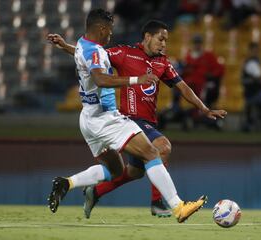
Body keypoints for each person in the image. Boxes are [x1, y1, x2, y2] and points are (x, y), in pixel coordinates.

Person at [47, 20, 227, 218]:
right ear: (148, 37)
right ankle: (162, 204)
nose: (164, 44)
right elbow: (91, 58)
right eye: (161, 39)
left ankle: (92, 191)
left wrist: (204, 108)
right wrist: (66, 47)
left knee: (132, 172)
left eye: (166, 40)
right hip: (130, 119)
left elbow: (182, 87)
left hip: (146, 122)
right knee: (162, 147)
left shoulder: (162, 62)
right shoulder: (125, 53)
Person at [159, 34, 225, 130]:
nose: (197, 45)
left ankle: (198, 118)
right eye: (195, 43)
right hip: (190, 84)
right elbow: (183, 71)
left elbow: (219, 69)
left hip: (202, 84)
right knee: (180, 93)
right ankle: (180, 113)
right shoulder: (189, 56)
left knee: (200, 99)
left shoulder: (208, 55)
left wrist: (212, 75)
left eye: (198, 43)